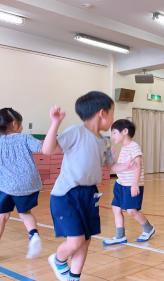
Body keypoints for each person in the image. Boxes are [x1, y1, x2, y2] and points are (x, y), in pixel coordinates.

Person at [42, 92, 135, 281]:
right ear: (102, 113)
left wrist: (126, 166)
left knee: (85, 239)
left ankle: (73, 277)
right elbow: (48, 150)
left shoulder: (104, 141)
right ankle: (58, 260)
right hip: (66, 195)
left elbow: (110, 166)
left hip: (89, 194)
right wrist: (55, 123)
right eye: (112, 112)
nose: (112, 118)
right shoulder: (76, 132)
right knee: (75, 240)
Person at [102, 119, 155, 246]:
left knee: (131, 211)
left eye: (114, 132)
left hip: (131, 185)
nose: (113, 135)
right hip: (120, 184)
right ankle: (120, 236)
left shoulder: (134, 146)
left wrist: (135, 183)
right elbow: (123, 166)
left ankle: (148, 228)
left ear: (125, 131)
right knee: (116, 209)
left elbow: (138, 165)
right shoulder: (124, 148)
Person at [0, 108, 43, 259]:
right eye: (21, 123)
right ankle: (34, 235)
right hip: (28, 183)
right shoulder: (25, 138)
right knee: (25, 213)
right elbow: (42, 148)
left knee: (2, 216)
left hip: (6, 184)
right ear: (14, 123)